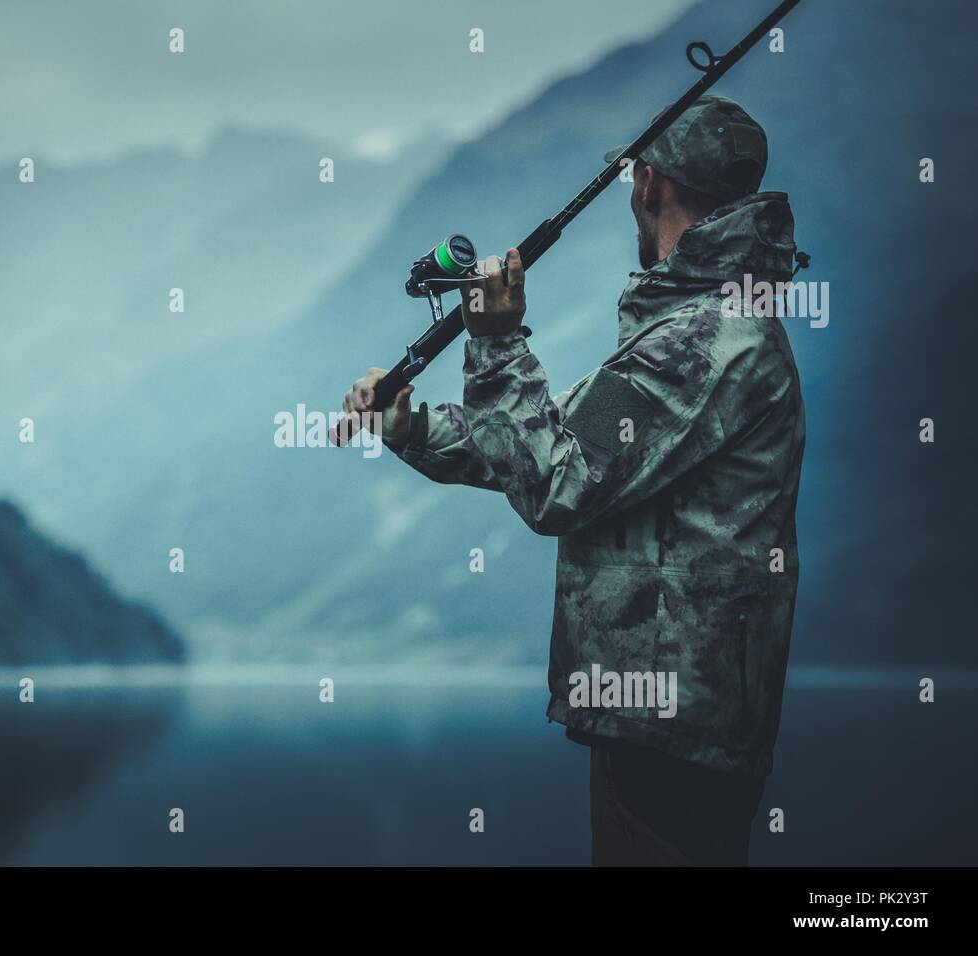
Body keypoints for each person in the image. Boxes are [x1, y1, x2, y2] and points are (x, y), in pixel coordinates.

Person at [334, 95, 805, 865]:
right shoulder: (697, 328)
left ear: (648, 185)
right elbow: (549, 447)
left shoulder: (707, 340)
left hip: (672, 736)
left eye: (633, 179)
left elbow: (557, 484)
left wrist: (495, 342)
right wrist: (410, 426)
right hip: (669, 726)